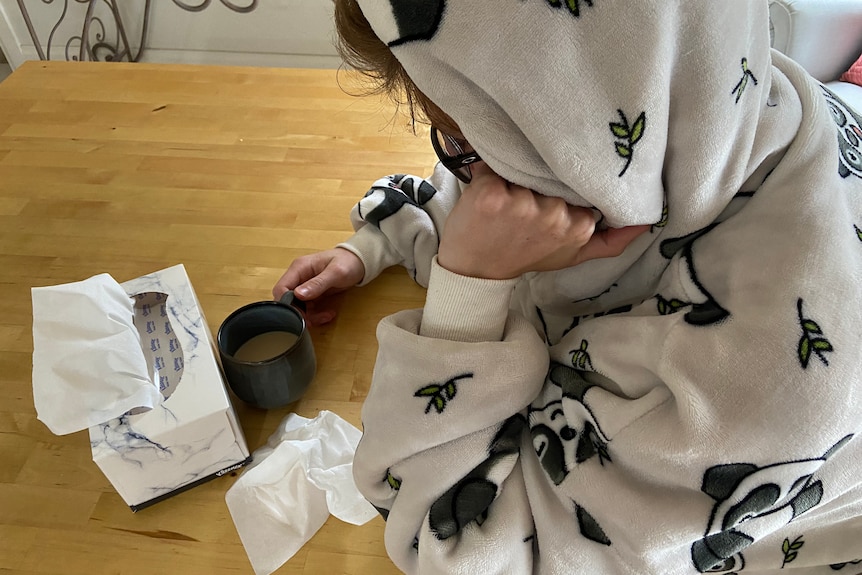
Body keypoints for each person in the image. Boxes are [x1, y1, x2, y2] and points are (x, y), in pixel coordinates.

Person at [273, 1, 862, 573]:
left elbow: (463, 550)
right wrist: (378, 245)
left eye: (466, 144)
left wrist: (468, 288)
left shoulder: (756, 386)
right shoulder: (712, 99)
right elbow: (507, 177)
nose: (473, 174)